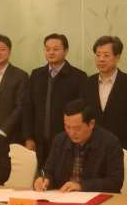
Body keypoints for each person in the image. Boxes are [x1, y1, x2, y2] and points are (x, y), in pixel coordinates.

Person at [33, 99, 124, 193]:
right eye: (67, 127)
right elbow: (49, 172)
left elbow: (115, 182)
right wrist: (45, 180)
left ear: (91, 124)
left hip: (97, 198)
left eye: (77, 128)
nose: (71, 133)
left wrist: (81, 186)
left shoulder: (110, 143)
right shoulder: (59, 141)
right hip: (64, 197)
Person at [23, 33, 86, 168]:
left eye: (56, 49)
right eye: (47, 49)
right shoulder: (36, 74)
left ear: (66, 51)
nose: (51, 52)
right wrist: (28, 137)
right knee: (40, 177)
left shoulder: (78, 77)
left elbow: (81, 113)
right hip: (38, 141)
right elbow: (28, 108)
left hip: (66, 141)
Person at [82, 35, 127, 155]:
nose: (101, 59)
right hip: (91, 149)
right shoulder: (87, 83)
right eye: (98, 55)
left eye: (106, 55)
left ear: (117, 57)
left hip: (122, 149)